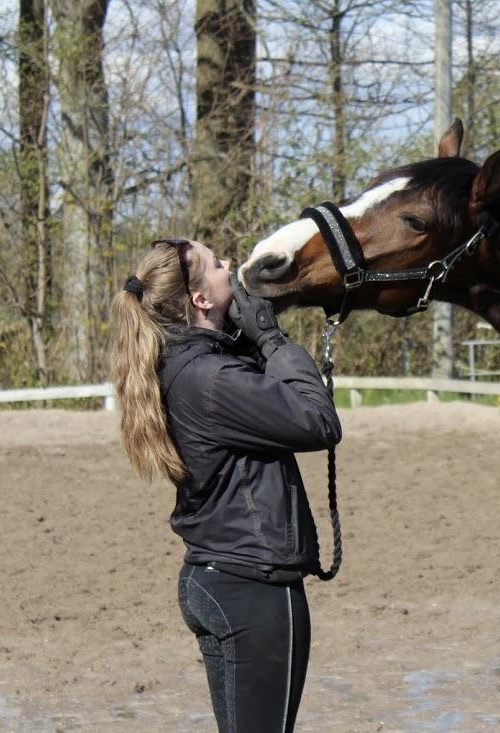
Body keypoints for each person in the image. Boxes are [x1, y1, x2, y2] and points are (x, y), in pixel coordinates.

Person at [109, 238, 342, 733]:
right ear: (201, 300)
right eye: (217, 265)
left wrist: (246, 339)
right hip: (251, 588)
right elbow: (318, 421)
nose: (230, 267)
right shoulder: (212, 378)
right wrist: (272, 340)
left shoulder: (187, 367)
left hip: (218, 577)